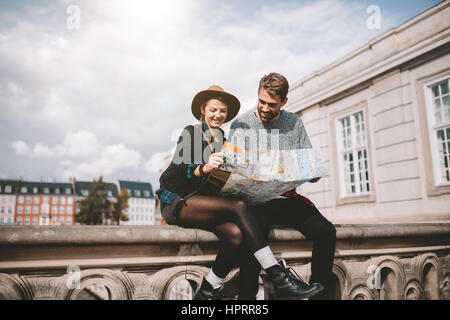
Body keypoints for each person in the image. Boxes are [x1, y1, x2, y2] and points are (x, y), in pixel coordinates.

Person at [156, 85, 323, 300]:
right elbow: (175, 171)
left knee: (235, 235)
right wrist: (203, 168)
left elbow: (222, 182)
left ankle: (207, 290)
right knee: (239, 207)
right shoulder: (192, 132)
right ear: (203, 110)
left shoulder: (225, 142)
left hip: (204, 203)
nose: (218, 115)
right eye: (213, 110)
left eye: (222, 111)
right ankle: (277, 275)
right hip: (178, 202)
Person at [227, 73, 337, 300]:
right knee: (253, 240)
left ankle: (318, 293)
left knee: (327, 232)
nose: (265, 108)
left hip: (287, 198)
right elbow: (233, 169)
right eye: (261, 102)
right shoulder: (241, 125)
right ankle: (247, 300)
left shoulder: (295, 122)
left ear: (284, 102)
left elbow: (307, 161)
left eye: (272, 104)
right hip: (255, 203)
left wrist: (312, 173)